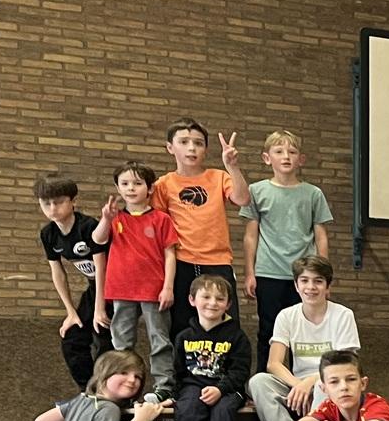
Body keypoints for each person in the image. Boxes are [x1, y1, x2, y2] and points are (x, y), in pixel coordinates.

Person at [249, 255, 360, 421]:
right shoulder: (287, 316)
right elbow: (274, 363)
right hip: (300, 385)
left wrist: (311, 382)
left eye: (318, 281)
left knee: (324, 384)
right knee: (258, 382)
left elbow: (345, 365)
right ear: (296, 285)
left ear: (328, 286)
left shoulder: (343, 315)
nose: (311, 287)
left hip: (332, 384)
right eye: (305, 281)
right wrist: (297, 384)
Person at [152, 119, 249, 336]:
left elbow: (242, 199)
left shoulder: (219, 177)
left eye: (198, 143)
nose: (191, 148)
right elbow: (158, 229)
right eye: (184, 142)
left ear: (205, 148)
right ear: (170, 147)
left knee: (226, 326)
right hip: (181, 263)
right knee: (182, 327)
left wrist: (232, 166)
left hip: (218, 262)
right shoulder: (164, 184)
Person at [240, 130, 333, 350]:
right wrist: (249, 272)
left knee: (304, 329)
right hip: (268, 271)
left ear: (301, 159)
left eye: (292, 152)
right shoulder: (256, 191)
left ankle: (300, 379)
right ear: (266, 158)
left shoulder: (313, 194)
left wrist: (324, 276)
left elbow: (321, 236)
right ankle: (264, 380)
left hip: (304, 275)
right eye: (279, 151)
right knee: (269, 329)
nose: (286, 157)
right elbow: (250, 236)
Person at [171, 273, 252, 421]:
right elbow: (177, 371)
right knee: (187, 408)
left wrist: (221, 389)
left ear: (228, 304)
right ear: (192, 300)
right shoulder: (183, 337)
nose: (212, 303)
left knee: (224, 410)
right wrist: (173, 395)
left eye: (219, 298)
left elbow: (240, 371)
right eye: (206, 296)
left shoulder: (237, 337)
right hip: (193, 387)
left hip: (227, 389)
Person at [103, 160, 179, 399]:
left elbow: (170, 254)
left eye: (137, 183)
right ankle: (122, 386)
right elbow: (98, 239)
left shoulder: (161, 219)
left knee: (159, 339)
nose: (131, 188)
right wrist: (106, 218)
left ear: (150, 188)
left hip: (153, 290)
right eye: (124, 183)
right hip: (121, 289)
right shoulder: (114, 218)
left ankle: (164, 386)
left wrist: (168, 287)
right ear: (117, 187)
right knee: (121, 341)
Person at [36, 173, 111, 387]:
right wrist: (70, 311)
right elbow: (57, 271)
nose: (52, 208)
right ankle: (89, 390)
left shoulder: (88, 226)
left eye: (58, 202)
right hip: (94, 288)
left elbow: (101, 266)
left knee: (102, 337)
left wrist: (99, 309)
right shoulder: (48, 234)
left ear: (73, 202)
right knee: (72, 338)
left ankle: (109, 392)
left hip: (113, 288)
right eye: (46, 203)